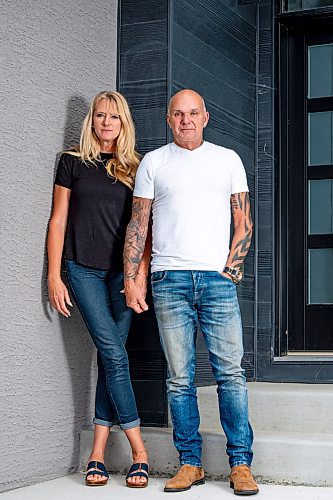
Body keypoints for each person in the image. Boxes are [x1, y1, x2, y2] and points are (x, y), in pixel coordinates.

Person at [123, 89, 258, 495]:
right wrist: (132, 279)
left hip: (217, 282)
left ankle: (240, 464)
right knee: (179, 380)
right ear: (168, 119)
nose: (186, 120)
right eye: (178, 114)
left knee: (230, 375)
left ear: (206, 117)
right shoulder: (154, 162)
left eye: (193, 113)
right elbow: (138, 225)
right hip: (169, 282)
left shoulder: (227, 160)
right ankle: (190, 463)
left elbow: (243, 220)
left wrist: (231, 271)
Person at [47, 91, 150, 488]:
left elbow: (145, 231)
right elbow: (58, 221)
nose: (107, 123)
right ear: (92, 121)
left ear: (124, 124)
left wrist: (138, 276)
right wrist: (55, 275)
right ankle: (140, 450)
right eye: (100, 116)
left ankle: (97, 453)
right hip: (83, 271)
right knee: (112, 352)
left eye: (115, 117)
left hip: (121, 277)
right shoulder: (72, 162)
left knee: (112, 358)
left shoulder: (138, 167)